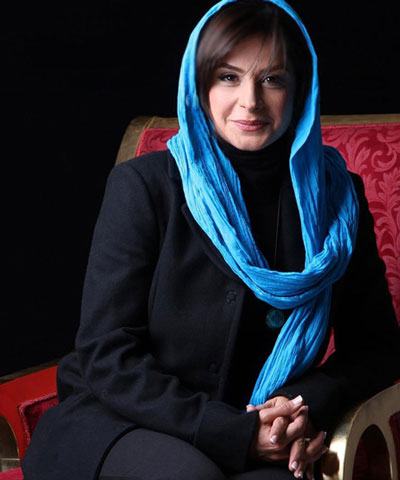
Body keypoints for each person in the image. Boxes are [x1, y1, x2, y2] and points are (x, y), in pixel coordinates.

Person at [22, 1, 400, 479]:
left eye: (272, 79)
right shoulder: (145, 186)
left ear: (301, 90)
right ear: (199, 86)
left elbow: (377, 348)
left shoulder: (337, 201)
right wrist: (230, 432)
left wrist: (301, 405)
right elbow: (107, 354)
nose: (250, 101)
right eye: (228, 77)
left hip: (256, 425)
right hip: (119, 419)